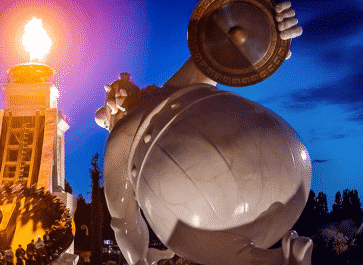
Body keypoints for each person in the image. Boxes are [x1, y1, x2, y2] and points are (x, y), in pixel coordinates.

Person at [96, 2, 310, 265]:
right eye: (115, 96)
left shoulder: (173, 88)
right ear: (110, 115)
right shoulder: (119, 140)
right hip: (290, 175)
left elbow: (231, 43)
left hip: (276, 155)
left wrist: (270, 25)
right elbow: (124, 222)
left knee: (205, 239)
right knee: (215, 242)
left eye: (123, 86)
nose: (121, 93)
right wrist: (138, 258)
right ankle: (280, 259)